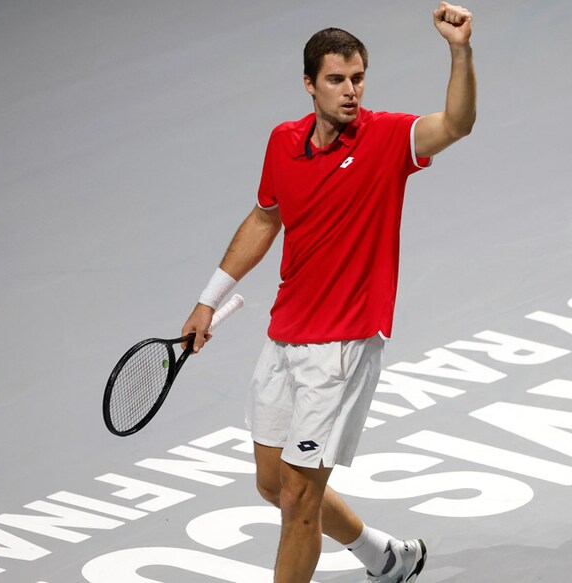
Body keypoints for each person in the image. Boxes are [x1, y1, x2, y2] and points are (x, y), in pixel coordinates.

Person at [181, 3, 476, 582]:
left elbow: (457, 124)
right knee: (273, 485)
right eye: (337, 80)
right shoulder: (282, 141)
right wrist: (208, 299)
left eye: (359, 78)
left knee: (298, 502)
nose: (351, 91)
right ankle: (385, 557)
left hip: (341, 350)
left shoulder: (388, 138)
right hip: (284, 339)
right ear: (310, 83)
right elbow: (266, 218)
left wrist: (459, 50)